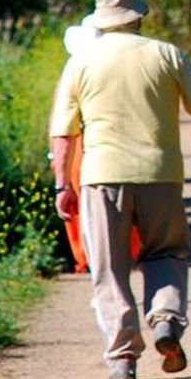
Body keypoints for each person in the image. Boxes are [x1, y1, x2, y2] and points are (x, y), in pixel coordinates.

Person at [49, 0, 191, 379]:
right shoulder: (166, 54)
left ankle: (123, 356)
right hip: (160, 174)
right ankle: (165, 318)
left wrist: (63, 186)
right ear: (138, 16)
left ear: (101, 18)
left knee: (110, 268)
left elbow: (64, 133)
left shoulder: (80, 62)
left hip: (101, 178)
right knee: (166, 253)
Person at [58, 14, 141, 274]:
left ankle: (97, 263)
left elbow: (61, 125)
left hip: (86, 148)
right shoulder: (122, 69)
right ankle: (116, 259)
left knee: (89, 211)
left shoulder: (74, 71)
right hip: (118, 145)